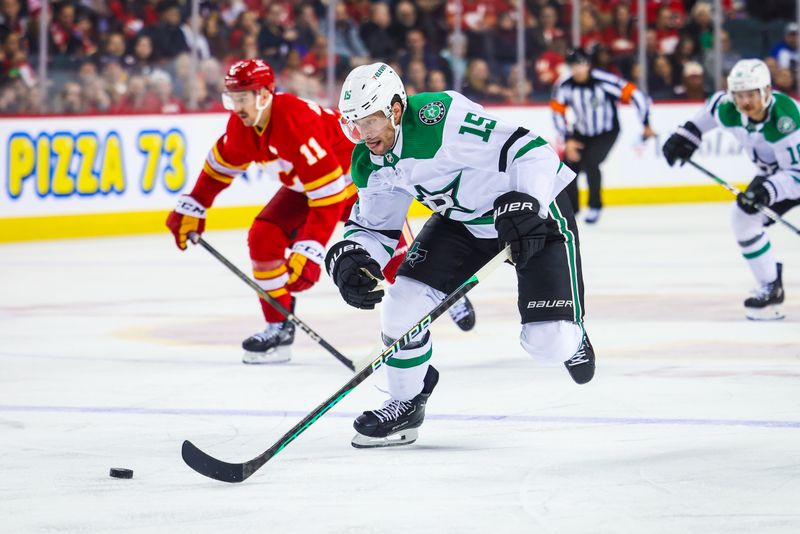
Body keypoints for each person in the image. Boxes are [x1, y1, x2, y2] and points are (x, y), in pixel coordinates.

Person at [325, 62, 595, 449]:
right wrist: (350, 255)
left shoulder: (442, 120)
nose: (362, 134)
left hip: (530, 213)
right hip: (461, 222)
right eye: (354, 124)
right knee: (401, 306)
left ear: (396, 110)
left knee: (549, 345)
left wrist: (526, 202)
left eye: (369, 121)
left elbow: (532, 151)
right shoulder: (369, 161)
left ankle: (573, 333)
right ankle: (406, 402)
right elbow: (376, 229)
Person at [166, 59, 476, 364]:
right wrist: (195, 204)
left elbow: (328, 195)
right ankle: (279, 326)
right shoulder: (242, 125)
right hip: (308, 188)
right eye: (231, 99)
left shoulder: (293, 120)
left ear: (263, 95)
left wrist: (311, 248)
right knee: (263, 237)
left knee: (396, 263)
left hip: (358, 185)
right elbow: (220, 165)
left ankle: (449, 294)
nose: (236, 107)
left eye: (242, 99)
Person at [662, 58, 799, 320]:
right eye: (739, 95)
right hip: (774, 174)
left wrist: (766, 191)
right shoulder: (726, 107)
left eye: (751, 95)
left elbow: (797, 175)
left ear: (767, 92)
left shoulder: (785, 119)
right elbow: (704, 117)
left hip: (794, 173)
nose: (745, 102)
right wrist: (684, 137)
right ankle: (770, 285)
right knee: (742, 218)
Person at [551, 48, 655, 223]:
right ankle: (572, 210)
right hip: (581, 132)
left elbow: (636, 94)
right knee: (568, 167)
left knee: (591, 162)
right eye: (574, 65)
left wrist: (645, 123)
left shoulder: (604, 81)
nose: (579, 69)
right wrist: (568, 139)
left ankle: (595, 206)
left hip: (606, 131)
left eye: (582, 64)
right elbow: (557, 113)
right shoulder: (564, 85)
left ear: (588, 65)